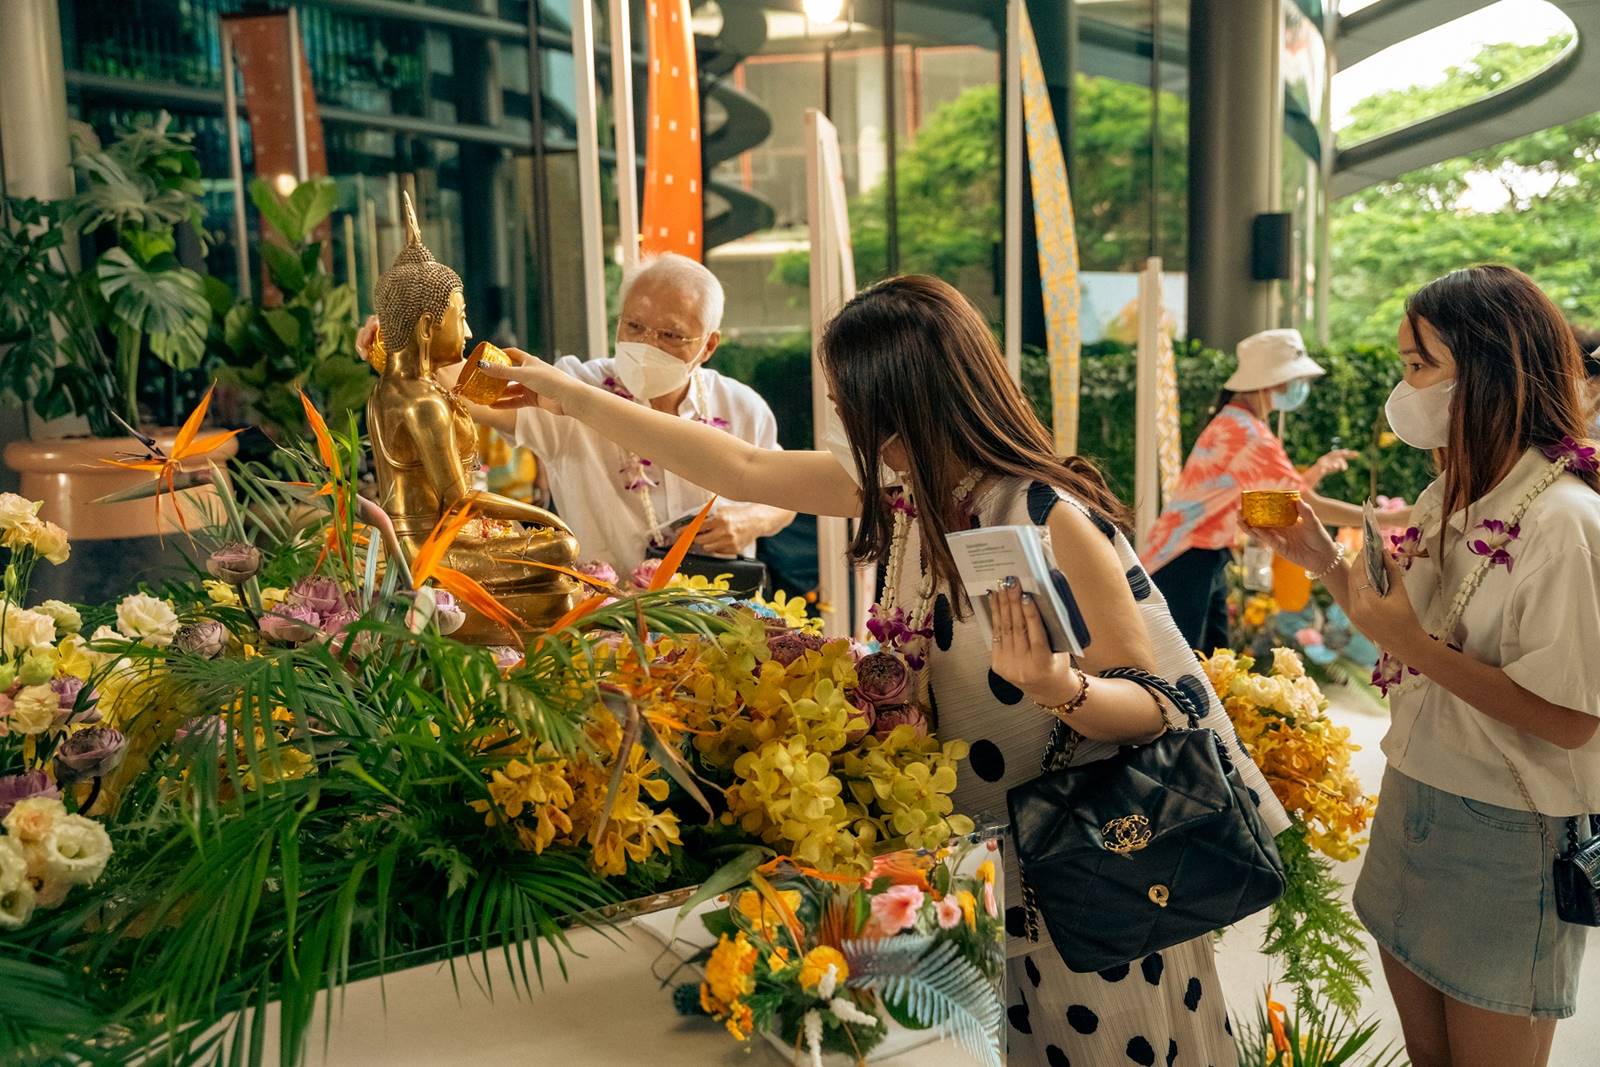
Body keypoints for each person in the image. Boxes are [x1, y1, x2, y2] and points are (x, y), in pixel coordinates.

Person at [481, 274, 1288, 1066]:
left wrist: (1056, 685)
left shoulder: (1047, 517)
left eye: (845, 404)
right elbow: (743, 470)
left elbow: (1154, 702)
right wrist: (571, 396)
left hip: (1095, 887)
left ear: (900, 406)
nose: (836, 419)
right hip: (983, 881)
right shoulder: (903, 494)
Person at [1250, 265, 1600, 1067]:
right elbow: (1402, 626)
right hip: (1414, 796)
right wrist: (1321, 560)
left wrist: (1410, 647)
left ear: (1489, 368)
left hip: (1510, 835)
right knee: (1426, 1053)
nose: (1404, 386)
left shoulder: (1565, 523)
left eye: (1419, 365)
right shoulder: (1454, 490)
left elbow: (1573, 719)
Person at [441, 252, 794, 577]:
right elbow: (466, 388)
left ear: (709, 345)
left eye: (670, 335)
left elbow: (786, 495)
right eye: (634, 327)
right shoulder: (575, 389)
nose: (646, 346)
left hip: (723, 622)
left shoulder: (741, 406)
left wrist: (751, 520)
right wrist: (405, 347)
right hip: (608, 623)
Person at [1143, 328, 1393, 653]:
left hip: (1195, 556)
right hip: (1187, 561)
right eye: (1294, 380)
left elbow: (1284, 498)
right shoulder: (1245, 432)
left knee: (1208, 666)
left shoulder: (1236, 422)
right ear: (1270, 383)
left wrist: (1316, 471)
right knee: (1185, 671)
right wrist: (1389, 517)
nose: (1299, 388)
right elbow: (1306, 504)